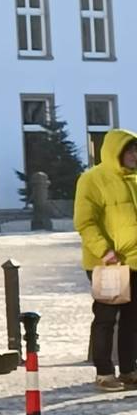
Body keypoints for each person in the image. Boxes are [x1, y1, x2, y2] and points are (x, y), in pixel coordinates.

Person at [74, 127, 137, 391]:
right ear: (116, 152)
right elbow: (85, 221)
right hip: (108, 263)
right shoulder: (92, 179)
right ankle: (104, 372)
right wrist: (104, 251)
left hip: (135, 261)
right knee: (106, 319)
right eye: (130, 150)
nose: (135, 155)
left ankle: (129, 369)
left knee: (133, 320)